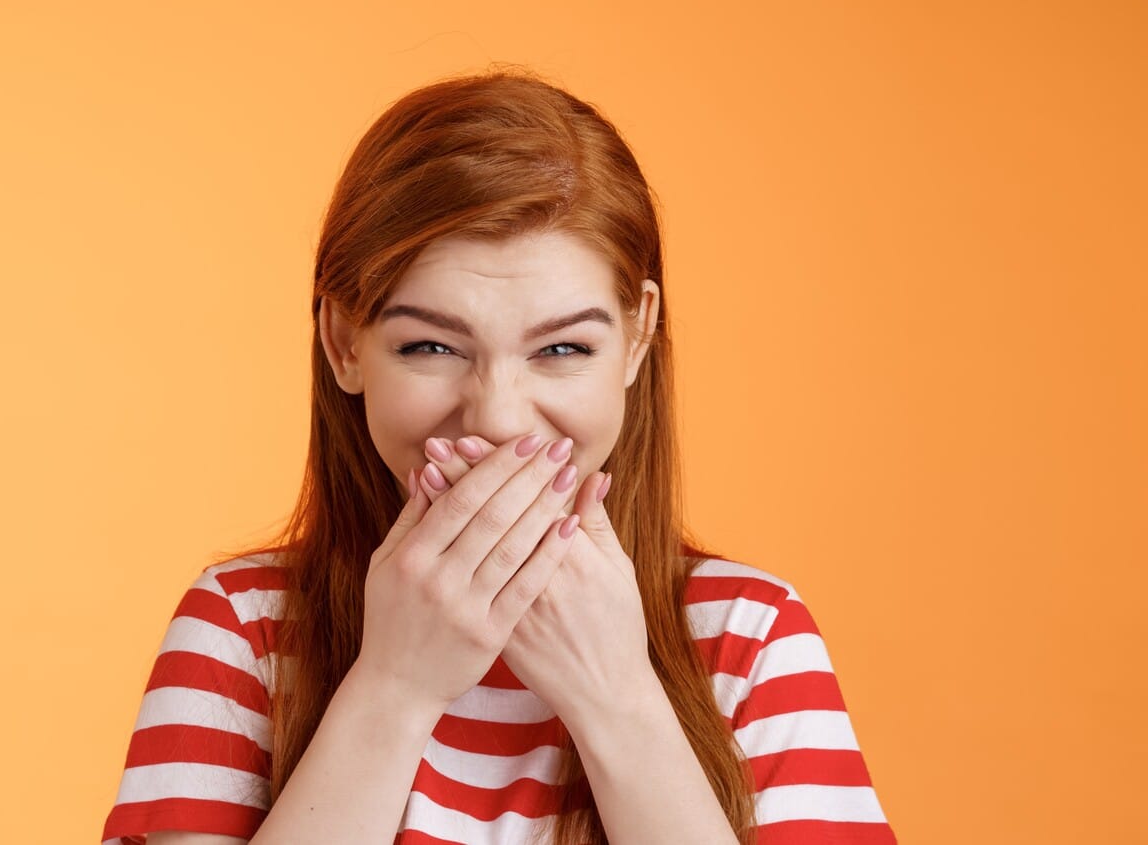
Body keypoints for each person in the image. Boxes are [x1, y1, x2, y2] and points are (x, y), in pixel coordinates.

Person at [101, 66, 897, 845]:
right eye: (432, 345)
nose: (499, 417)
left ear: (637, 336)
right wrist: (393, 689)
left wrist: (618, 699)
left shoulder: (748, 636)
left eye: (559, 347)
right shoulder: (244, 631)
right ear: (346, 342)